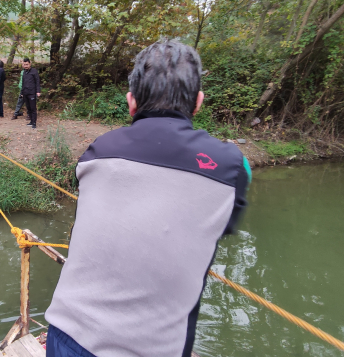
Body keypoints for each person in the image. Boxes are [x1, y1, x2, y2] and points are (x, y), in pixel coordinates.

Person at [44, 39, 252, 357]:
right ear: (198, 102)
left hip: (67, 335)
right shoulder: (234, 169)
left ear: (131, 102)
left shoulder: (96, 152)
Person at [20, 58, 41, 129]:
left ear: (30, 64)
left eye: (27, 64)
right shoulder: (24, 72)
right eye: (24, 64)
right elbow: (23, 83)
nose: (25, 66)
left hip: (32, 92)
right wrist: (22, 93)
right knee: (28, 108)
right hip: (25, 92)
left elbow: (37, 81)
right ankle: (31, 121)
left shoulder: (34, 71)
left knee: (33, 108)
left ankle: (34, 123)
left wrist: (38, 91)